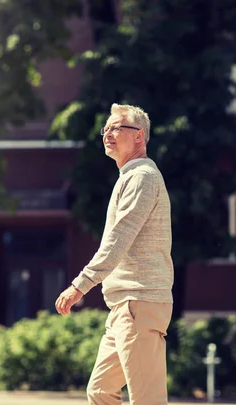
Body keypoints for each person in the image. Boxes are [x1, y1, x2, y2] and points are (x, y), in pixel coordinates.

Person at [55, 103, 174, 405]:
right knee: (100, 391)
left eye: (116, 127)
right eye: (105, 128)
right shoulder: (129, 176)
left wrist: (79, 285)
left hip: (139, 301)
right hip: (123, 306)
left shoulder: (142, 176)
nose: (107, 133)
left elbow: (118, 239)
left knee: (147, 400)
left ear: (139, 137)